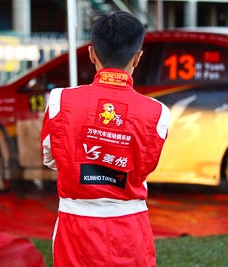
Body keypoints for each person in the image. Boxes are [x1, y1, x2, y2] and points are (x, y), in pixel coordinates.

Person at [40, 11, 170, 267]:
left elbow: (51, 158)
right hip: (130, 229)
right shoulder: (158, 112)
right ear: (138, 57)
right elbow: (145, 167)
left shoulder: (59, 100)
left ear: (91, 53)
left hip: (75, 227)